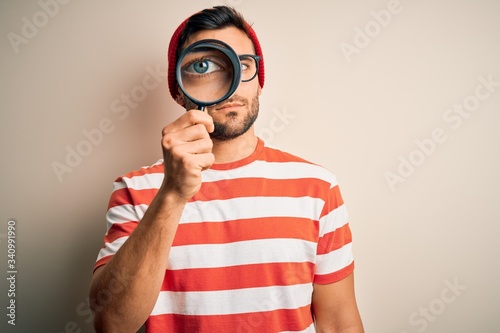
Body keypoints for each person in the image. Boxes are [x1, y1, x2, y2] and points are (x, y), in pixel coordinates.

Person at [89, 5, 364, 333]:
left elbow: (338, 323)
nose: (230, 86)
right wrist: (173, 193)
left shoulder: (317, 188)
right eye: (204, 66)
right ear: (179, 89)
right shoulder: (135, 191)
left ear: (259, 82)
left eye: (242, 65)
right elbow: (112, 324)